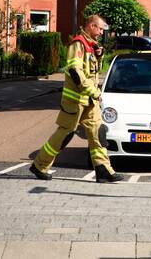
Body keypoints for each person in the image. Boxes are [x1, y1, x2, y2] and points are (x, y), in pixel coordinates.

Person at [30, 15, 123, 183]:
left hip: (89, 101)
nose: (102, 32)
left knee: (98, 133)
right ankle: (40, 165)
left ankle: (103, 170)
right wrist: (93, 91)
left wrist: (99, 56)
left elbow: (92, 70)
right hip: (75, 101)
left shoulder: (91, 46)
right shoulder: (78, 43)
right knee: (64, 134)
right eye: (100, 29)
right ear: (91, 26)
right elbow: (75, 71)